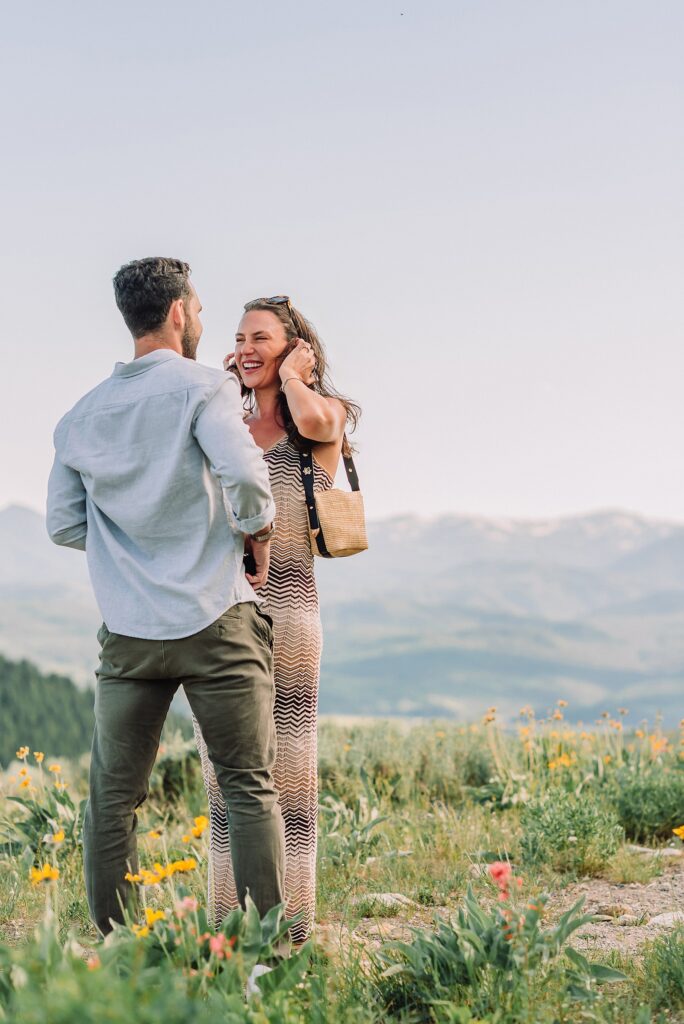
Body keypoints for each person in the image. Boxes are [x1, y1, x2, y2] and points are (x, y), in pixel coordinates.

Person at [46, 258, 285, 936]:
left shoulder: (80, 417)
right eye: (201, 308)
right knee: (246, 788)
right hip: (217, 619)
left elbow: (65, 523)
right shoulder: (206, 390)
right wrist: (256, 535)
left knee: (112, 801)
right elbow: (246, 479)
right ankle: (263, 959)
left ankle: (124, 955)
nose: (204, 321)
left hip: (128, 634)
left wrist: (130, 553)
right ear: (178, 312)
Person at [194, 295, 360, 944]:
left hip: (289, 615)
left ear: (295, 346)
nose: (245, 348)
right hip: (219, 616)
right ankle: (225, 931)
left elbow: (322, 421)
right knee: (223, 778)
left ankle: (289, 934)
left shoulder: (318, 421)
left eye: (262, 336)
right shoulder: (223, 425)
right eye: (239, 337)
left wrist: (293, 378)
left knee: (287, 776)